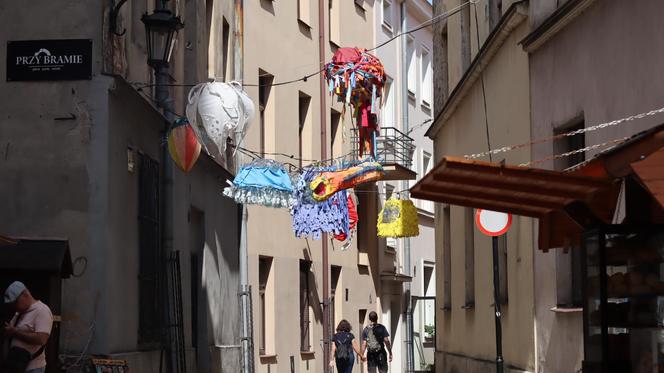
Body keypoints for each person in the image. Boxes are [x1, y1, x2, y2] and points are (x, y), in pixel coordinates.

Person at [2, 281, 53, 373]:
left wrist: (15, 332)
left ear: (25, 295)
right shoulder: (20, 313)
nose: (14, 306)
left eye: (15, 302)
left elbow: (41, 339)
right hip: (17, 366)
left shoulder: (42, 310)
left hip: (33, 368)